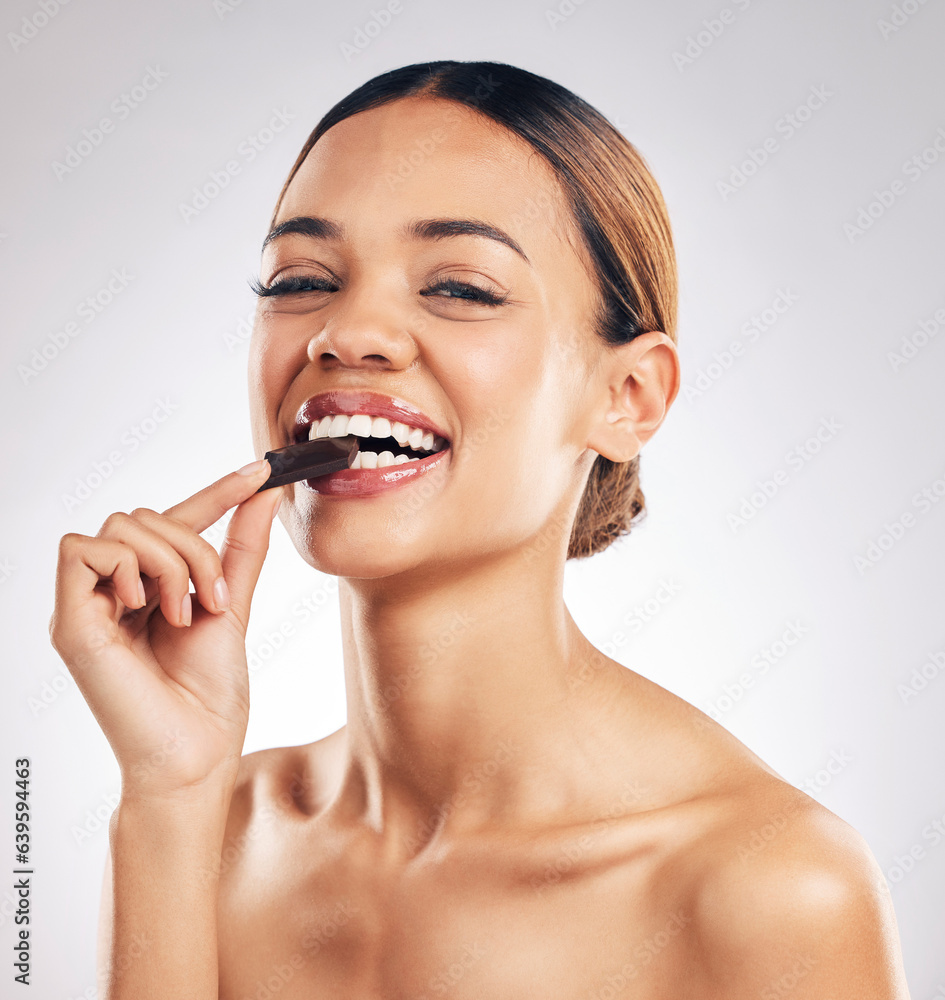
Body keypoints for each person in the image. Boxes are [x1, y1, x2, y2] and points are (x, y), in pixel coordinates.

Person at [50, 60, 911, 998]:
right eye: (300, 278)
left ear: (627, 397)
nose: (348, 332)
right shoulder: (213, 830)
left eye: (460, 288)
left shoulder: (768, 887)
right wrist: (169, 796)